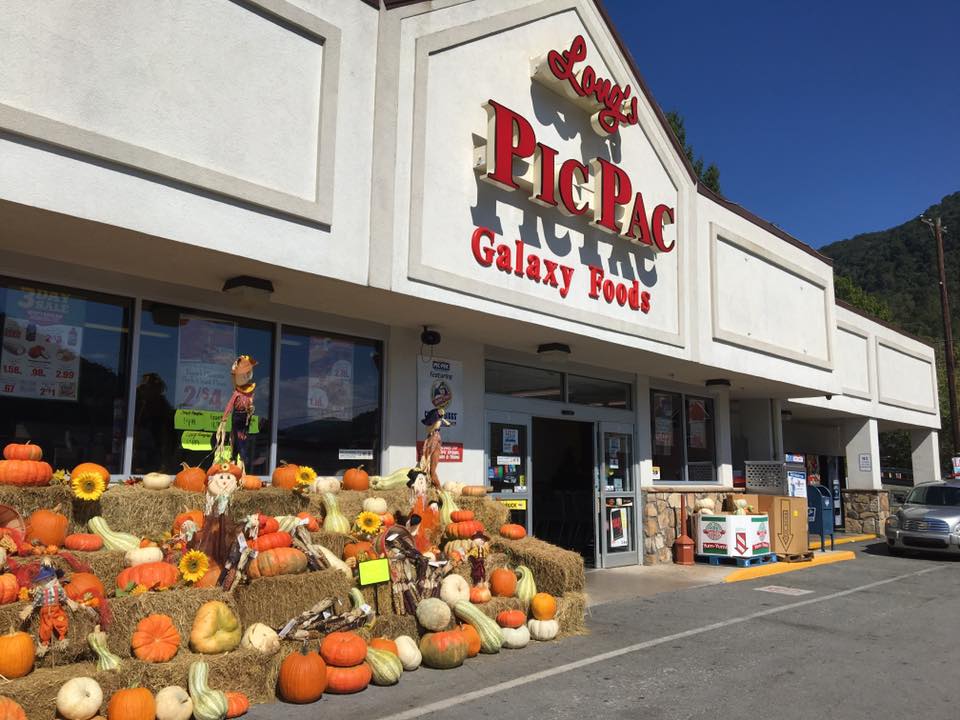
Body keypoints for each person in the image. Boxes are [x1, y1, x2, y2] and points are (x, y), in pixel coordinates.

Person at [19, 561, 78, 655]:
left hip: (56, 608)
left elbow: (63, 597)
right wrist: (30, 608)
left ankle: (62, 638)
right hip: (45, 611)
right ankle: (44, 643)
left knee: (61, 621)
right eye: (45, 580)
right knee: (45, 627)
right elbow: (36, 601)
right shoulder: (41, 592)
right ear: (40, 582)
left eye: (51, 578)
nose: (49, 581)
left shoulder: (57, 589)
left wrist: (70, 602)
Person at [218, 355, 257, 473]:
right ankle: (237, 457)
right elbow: (230, 405)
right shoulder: (236, 393)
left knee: (243, 437)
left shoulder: (250, 392)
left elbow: (250, 405)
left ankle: (241, 460)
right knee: (237, 438)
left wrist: (250, 408)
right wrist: (224, 418)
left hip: (246, 417)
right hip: (238, 416)